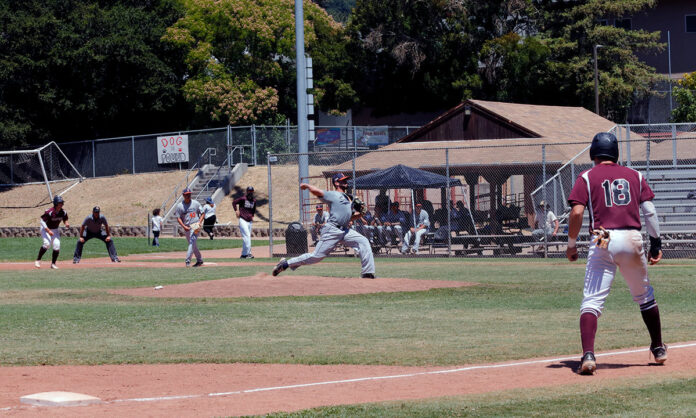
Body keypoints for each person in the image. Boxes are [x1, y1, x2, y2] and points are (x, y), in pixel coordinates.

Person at [566, 132, 666, 376]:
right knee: (644, 296)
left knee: (592, 299)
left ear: (593, 153)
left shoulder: (587, 176)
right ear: (616, 153)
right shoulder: (635, 175)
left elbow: (577, 213)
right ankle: (658, 348)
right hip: (632, 235)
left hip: (603, 236)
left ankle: (588, 355)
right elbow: (650, 212)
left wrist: (571, 244)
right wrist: (655, 243)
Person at [272, 173, 376, 279]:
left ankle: (367, 273)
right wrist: (307, 186)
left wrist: (361, 214)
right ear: (336, 182)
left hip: (345, 231)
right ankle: (285, 264)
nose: (346, 182)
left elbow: (349, 218)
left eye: (346, 180)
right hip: (332, 230)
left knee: (363, 241)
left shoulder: (348, 198)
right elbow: (319, 192)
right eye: (343, 180)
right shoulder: (333, 194)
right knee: (316, 257)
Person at [35, 195, 70, 269]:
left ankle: (53, 264)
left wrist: (66, 223)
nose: (61, 204)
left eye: (61, 203)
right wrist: (48, 230)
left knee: (57, 245)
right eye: (59, 203)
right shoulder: (49, 212)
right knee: (47, 244)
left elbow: (65, 219)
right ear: (55, 203)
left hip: (55, 229)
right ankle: (38, 260)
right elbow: (42, 221)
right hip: (45, 229)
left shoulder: (63, 212)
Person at [175, 188, 204, 267]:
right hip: (186, 226)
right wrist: (183, 226)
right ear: (183, 195)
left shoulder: (196, 203)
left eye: (189, 194)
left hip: (195, 225)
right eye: (187, 194)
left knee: (192, 242)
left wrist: (199, 223)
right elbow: (178, 218)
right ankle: (200, 260)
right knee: (192, 244)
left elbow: (202, 213)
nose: (188, 196)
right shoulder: (180, 206)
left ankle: (188, 261)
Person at [233, 186, 257, 259]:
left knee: (246, 237)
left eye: (251, 191)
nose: (250, 193)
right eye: (249, 191)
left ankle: (243, 254)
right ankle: (248, 254)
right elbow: (234, 202)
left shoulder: (254, 201)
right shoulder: (243, 199)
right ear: (247, 192)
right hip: (243, 220)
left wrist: (252, 216)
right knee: (247, 236)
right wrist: (236, 210)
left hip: (249, 221)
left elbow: (253, 210)